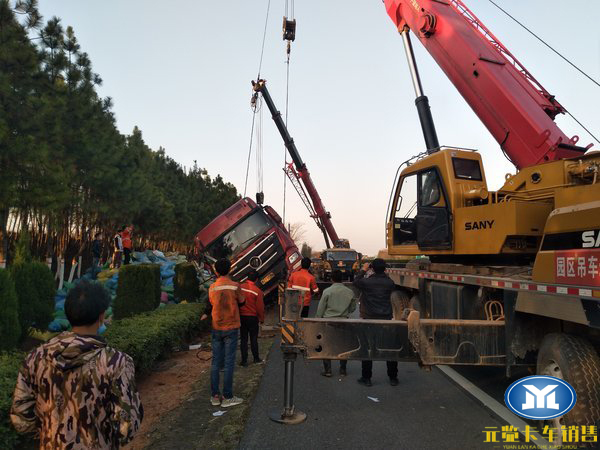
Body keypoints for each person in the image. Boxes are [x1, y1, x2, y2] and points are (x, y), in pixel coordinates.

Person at [11, 281, 143, 449]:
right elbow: (127, 426)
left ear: (68, 314)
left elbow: (21, 418)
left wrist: (50, 431)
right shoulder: (116, 362)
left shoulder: (35, 358)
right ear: (102, 316)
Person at [201, 258, 245, 407]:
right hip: (231, 327)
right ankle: (227, 397)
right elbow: (242, 302)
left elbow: (211, 304)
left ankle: (214, 396)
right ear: (230, 269)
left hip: (216, 327)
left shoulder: (212, 287)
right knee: (228, 362)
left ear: (216, 271)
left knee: (215, 363)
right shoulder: (235, 286)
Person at [353, 258, 399, 387]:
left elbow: (355, 281)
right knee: (389, 349)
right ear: (385, 269)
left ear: (372, 268)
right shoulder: (389, 283)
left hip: (369, 319)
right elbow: (390, 283)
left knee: (368, 348)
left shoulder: (366, 282)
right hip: (386, 319)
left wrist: (363, 270)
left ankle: (366, 378)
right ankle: (393, 377)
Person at [316, 269, 356, 377]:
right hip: (343, 321)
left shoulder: (327, 291)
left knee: (326, 345)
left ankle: (328, 370)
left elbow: (320, 309)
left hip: (328, 322)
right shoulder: (349, 292)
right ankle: (343, 370)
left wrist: (318, 320)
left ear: (331, 279)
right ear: (342, 279)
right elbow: (352, 308)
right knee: (343, 346)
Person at [239, 270, 265, 366]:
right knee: (253, 338)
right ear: (257, 279)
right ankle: (256, 358)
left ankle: (244, 360)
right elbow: (260, 308)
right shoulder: (257, 291)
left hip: (241, 316)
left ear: (247, 277)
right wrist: (261, 319)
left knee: (243, 339)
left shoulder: (240, 287)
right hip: (252, 318)